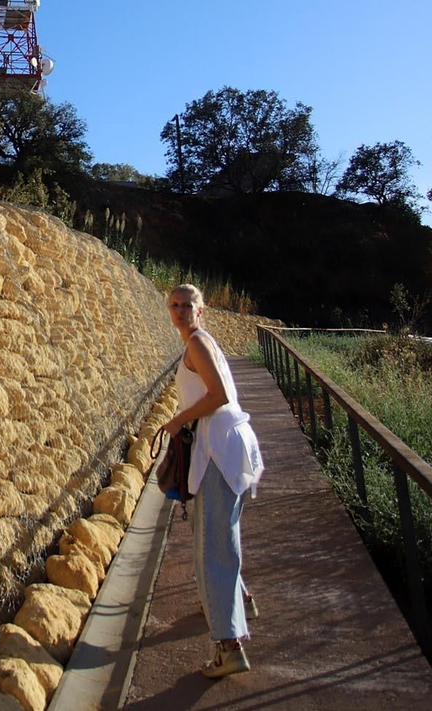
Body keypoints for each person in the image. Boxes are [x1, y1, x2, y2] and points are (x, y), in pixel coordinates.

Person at [161, 283, 265, 679]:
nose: (180, 310)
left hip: (217, 450)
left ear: (200, 310)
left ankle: (229, 646)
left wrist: (178, 420)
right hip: (227, 447)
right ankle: (240, 599)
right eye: (175, 305)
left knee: (213, 548)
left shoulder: (196, 344)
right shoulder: (202, 342)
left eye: (187, 305)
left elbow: (218, 395)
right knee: (221, 534)